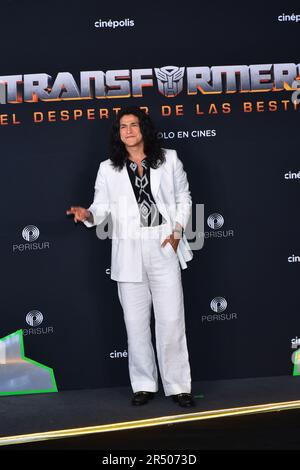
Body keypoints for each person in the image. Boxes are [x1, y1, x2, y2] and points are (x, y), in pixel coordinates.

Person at [66, 106, 195, 407]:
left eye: (133, 125)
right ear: (118, 133)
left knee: (172, 319)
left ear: (144, 129)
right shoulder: (107, 169)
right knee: (135, 323)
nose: (128, 131)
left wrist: (176, 231)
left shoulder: (169, 159)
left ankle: (178, 386)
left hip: (163, 242)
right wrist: (87, 214)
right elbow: (100, 208)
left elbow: (183, 197)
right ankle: (144, 384)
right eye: (123, 127)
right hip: (128, 247)